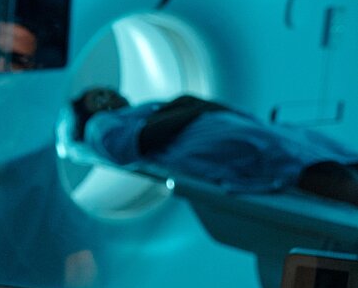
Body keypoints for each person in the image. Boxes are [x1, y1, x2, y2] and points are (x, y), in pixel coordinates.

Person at [71, 86, 358, 204]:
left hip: (217, 129)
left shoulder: (135, 111)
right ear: (90, 108)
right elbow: (135, 145)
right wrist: (188, 106)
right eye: (98, 97)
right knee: (287, 160)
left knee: (300, 142)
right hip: (202, 141)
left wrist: (189, 105)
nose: (109, 96)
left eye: (107, 91)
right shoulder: (100, 125)